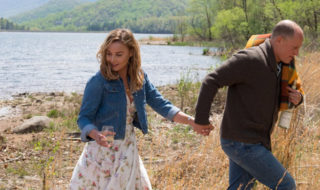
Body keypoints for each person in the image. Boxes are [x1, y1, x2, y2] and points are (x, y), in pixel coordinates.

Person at [69, 28, 213, 189]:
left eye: (118, 54)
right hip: (102, 153)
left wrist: (191, 121)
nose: (112, 59)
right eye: (109, 53)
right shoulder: (98, 81)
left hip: (127, 148)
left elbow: (161, 104)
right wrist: (95, 134)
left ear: (131, 52)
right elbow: (83, 118)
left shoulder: (139, 78)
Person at [193, 20, 304, 190]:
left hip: (252, 141)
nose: (296, 53)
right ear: (279, 40)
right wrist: (201, 119)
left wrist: (298, 99)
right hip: (242, 142)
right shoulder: (250, 59)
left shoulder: (281, 65)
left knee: (241, 188)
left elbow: (287, 92)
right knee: (286, 185)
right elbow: (211, 80)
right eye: (294, 47)